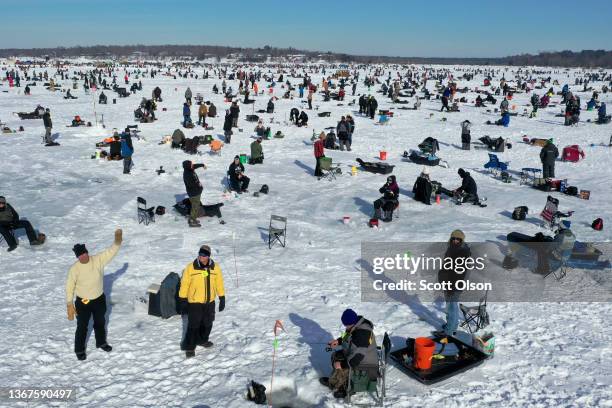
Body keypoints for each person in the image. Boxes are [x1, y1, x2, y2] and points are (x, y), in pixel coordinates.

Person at [65, 229, 123, 360]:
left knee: (100, 322)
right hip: (83, 302)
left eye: (84, 254)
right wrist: (69, 303)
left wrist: (117, 241)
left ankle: (101, 342)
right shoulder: (74, 269)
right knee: (82, 326)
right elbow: (69, 286)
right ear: (77, 257)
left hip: (99, 299)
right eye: (80, 256)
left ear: (87, 253)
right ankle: (79, 350)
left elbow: (111, 251)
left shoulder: (98, 260)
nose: (83, 257)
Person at [178, 245, 225, 358]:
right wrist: (183, 299)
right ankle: (190, 347)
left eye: (203, 255)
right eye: (200, 254)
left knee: (208, 323)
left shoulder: (215, 267)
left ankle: (202, 340)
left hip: (210, 302)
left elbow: (219, 283)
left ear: (208, 256)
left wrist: (222, 297)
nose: (201, 257)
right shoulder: (191, 267)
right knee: (193, 325)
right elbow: (185, 284)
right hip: (195, 302)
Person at [319, 309, 378, 399]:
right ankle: (334, 380)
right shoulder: (356, 324)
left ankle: (346, 388)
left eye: (346, 325)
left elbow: (357, 358)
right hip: (361, 356)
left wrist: (342, 365)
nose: (345, 327)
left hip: (365, 363)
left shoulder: (362, 334)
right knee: (337, 355)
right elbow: (347, 335)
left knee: (341, 363)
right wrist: (338, 341)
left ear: (352, 323)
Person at [437, 230, 471, 336]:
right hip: (448, 282)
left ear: (462, 240)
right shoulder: (453, 248)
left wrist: (452, 286)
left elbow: (459, 273)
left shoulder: (462, 252)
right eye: (453, 238)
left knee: (451, 307)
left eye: (458, 239)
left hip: (454, 284)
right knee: (451, 305)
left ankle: (449, 331)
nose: (455, 240)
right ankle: (452, 326)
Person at [182, 160, 207, 227]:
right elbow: (193, 185)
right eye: (191, 164)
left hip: (196, 192)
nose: (192, 165)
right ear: (188, 166)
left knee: (196, 205)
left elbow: (194, 166)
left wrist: (202, 164)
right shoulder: (188, 175)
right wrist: (200, 187)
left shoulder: (189, 169)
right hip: (194, 193)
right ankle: (192, 220)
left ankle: (194, 218)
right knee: (195, 207)